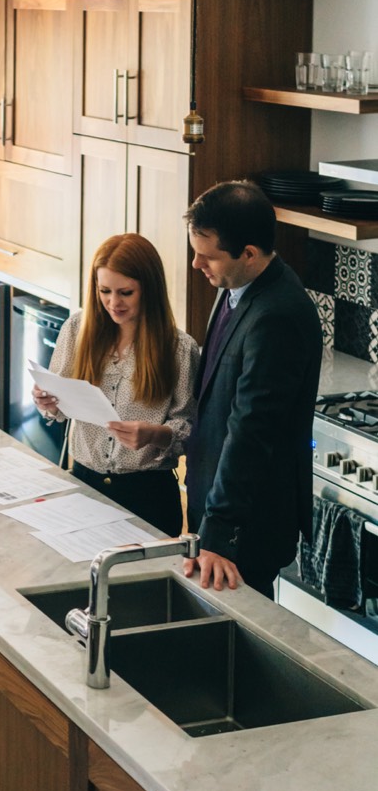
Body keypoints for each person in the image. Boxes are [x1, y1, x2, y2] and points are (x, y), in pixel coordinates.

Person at [183, 180, 323, 598]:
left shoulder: (277, 314)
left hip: (247, 529)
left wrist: (218, 534)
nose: (195, 264)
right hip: (217, 517)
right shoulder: (235, 287)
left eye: (207, 255)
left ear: (248, 253)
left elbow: (251, 430)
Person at [33, 233, 199, 537]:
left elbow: (190, 429)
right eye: (104, 291)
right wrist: (47, 401)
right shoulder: (77, 330)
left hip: (148, 497)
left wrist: (156, 434)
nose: (113, 303)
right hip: (83, 487)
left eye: (126, 292)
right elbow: (55, 407)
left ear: (149, 288)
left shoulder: (178, 349)